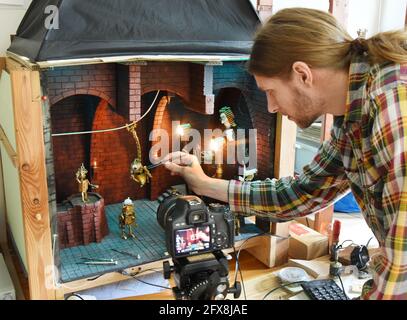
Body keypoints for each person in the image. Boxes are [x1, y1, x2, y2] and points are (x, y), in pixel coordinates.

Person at [163, 8, 407, 300]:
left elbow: (402, 268)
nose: (270, 107)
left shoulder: (393, 104)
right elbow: (300, 193)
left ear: (302, 74)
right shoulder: (352, 117)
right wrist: (204, 184)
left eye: (271, 91)